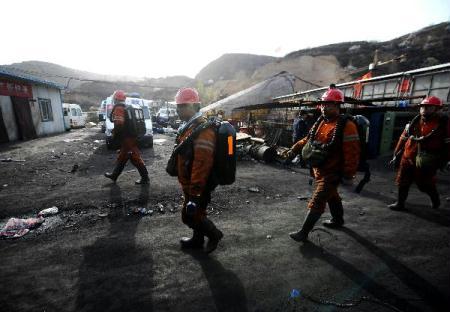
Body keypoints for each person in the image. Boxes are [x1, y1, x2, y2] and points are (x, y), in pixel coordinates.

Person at [284, 87, 360, 242]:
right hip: (319, 169)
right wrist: (294, 149)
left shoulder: (346, 126)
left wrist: (348, 174)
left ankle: (303, 233)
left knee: (318, 199)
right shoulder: (320, 123)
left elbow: (352, 153)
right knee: (332, 196)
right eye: (323, 105)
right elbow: (308, 140)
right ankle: (338, 220)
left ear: (338, 105)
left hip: (333, 172)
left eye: (329, 105)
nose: (324, 108)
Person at [171, 87, 223, 254]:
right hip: (190, 182)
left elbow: (202, 164)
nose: (178, 109)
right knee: (196, 213)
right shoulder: (189, 127)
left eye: (181, 106)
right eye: (177, 106)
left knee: (191, 215)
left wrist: (195, 193)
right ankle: (197, 239)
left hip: (199, 184)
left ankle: (214, 235)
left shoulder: (203, 130)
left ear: (193, 106)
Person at [388, 96, 450, 210]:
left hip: (427, 160)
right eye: (423, 107)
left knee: (424, 184)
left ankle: (435, 199)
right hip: (408, 157)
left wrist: (445, 160)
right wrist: (396, 154)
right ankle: (400, 203)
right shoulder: (414, 122)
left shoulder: (444, 124)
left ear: (437, 109)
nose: (424, 110)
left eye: (429, 107)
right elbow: (403, 138)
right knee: (402, 181)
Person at [104, 90, 149, 185]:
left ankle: (145, 178)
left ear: (115, 98)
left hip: (127, 138)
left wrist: (114, 134)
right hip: (130, 136)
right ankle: (114, 175)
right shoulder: (125, 107)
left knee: (134, 157)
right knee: (123, 156)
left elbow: (119, 123)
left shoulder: (119, 108)